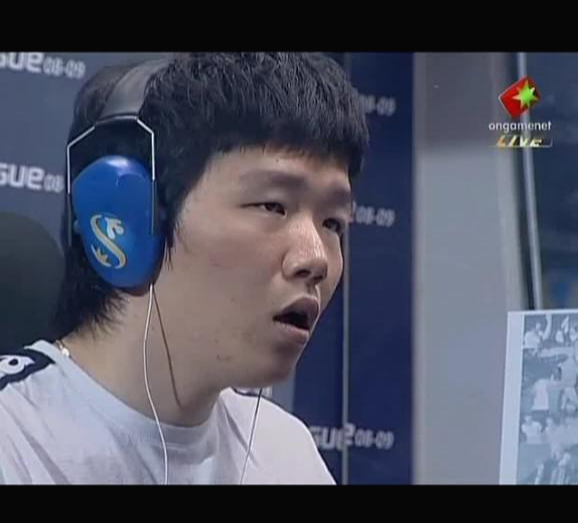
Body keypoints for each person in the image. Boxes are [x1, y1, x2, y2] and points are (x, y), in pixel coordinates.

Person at [0, 52, 369, 484]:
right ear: (130, 218)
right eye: (273, 206)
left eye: (332, 223)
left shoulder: (287, 453)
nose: (316, 258)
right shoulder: (15, 441)